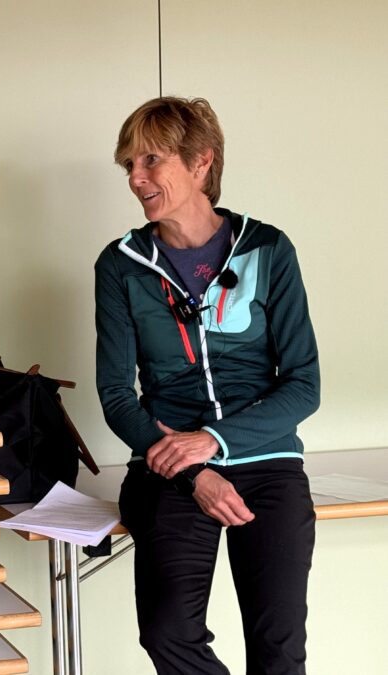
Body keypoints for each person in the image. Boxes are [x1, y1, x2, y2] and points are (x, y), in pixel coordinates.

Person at [94, 97, 320, 674]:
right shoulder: (120, 265)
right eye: (128, 166)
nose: (136, 178)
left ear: (201, 163)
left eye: (151, 160)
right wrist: (194, 467)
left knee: (278, 648)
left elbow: (303, 385)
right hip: (169, 469)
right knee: (169, 633)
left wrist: (213, 441)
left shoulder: (268, 249)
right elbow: (117, 395)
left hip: (267, 464)